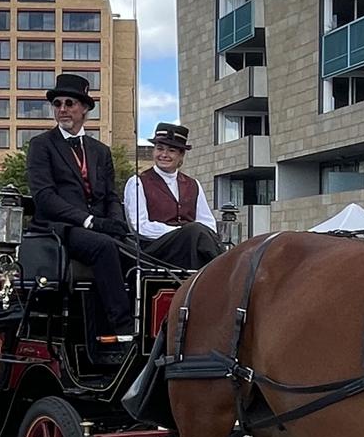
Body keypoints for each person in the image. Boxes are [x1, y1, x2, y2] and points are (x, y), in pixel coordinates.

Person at [26, 73, 133, 337]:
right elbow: (45, 198)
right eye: (58, 104)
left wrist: (117, 223)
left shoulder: (100, 151)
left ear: (84, 108)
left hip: (96, 227)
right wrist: (89, 221)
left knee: (136, 249)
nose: (62, 109)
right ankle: (123, 327)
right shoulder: (41, 145)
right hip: (59, 229)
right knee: (104, 246)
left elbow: (110, 196)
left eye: (69, 103)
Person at [124, 123, 225, 270]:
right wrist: (180, 233)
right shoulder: (138, 182)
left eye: (171, 150)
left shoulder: (193, 184)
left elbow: (208, 223)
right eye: (159, 149)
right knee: (195, 231)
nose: (164, 155)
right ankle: (222, 271)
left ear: (181, 155)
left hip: (190, 246)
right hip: (155, 249)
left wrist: (187, 235)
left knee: (197, 233)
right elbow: (140, 226)